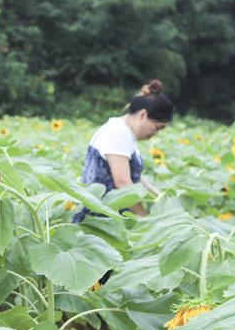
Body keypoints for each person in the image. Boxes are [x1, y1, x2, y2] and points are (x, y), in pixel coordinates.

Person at [73, 79, 173, 223]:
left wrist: (159, 195)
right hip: (100, 221)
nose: (155, 134)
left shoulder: (124, 131)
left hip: (110, 217)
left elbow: (133, 175)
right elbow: (123, 183)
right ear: (143, 115)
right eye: (157, 127)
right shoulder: (118, 132)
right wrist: (145, 220)